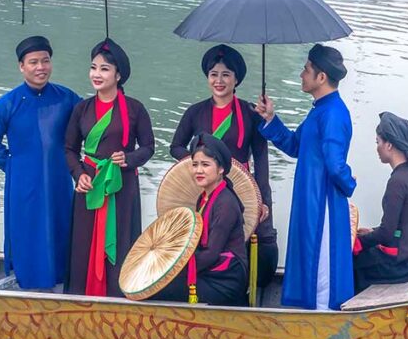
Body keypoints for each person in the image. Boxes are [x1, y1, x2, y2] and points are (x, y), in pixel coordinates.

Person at [255, 44, 356, 311]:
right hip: (309, 198)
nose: (301, 74)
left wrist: (350, 184)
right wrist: (270, 119)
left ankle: (323, 318)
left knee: (320, 261)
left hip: (322, 202)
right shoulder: (319, 110)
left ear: (321, 77)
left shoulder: (333, 113)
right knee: (309, 255)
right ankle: (307, 311)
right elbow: (295, 145)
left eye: (306, 69)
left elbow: (336, 166)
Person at [169, 44, 279, 287]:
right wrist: (199, 161)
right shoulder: (195, 112)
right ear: (207, 78)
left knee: (263, 237)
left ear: (236, 79)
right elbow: (175, 147)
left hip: (243, 188)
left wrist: (263, 201)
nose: (219, 81)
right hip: (206, 187)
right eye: (214, 75)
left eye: (226, 75)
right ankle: (206, 280)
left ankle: (253, 286)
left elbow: (261, 159)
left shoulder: (250, 113)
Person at [0, 36, 80, 290]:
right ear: (21, 66)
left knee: (61, 224)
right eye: (33, 62)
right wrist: (13, 167)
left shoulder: (66, 98)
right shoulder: (8, 103)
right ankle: (28, 283)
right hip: (23, 182)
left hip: (59, 178)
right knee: (27, 229)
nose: (40, 68)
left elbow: (88, 127)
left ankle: (62, 279)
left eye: (45, 61)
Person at [65, 39, 155, 297]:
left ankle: (119, 294)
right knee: (84, 241)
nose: (97, 74)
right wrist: (78, 173)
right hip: (90, 183)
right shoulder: (81, 109)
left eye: (104, 69)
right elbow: (69, 148)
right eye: (93, 67)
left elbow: (148, 147)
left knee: (122, 238)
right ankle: (82, 296)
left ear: (118, 75)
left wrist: (129, 158)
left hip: (121, 185)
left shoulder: (135, 109)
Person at [152, 134, 249, 306]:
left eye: (205, 165)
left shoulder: (226, 203)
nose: (198, 170)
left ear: (221, 169)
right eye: (195, 164)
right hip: (209, 270)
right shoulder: (203, 197)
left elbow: (211, 253)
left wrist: (173, 269)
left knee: (158, 287)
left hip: (225, 278)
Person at [354, 113, 408, 291]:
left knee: (349, 262)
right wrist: (372, 232)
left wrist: (358, 243)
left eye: (377, 142)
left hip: (399, 263)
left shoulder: (397, 181)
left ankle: (341, 313)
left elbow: (387, 234)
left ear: (389, 144)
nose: (377, 147)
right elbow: (400, 227)